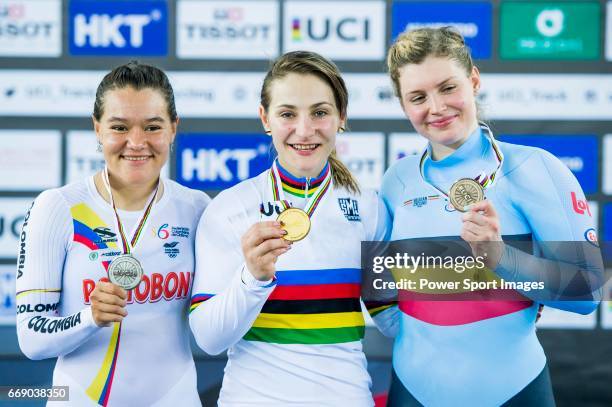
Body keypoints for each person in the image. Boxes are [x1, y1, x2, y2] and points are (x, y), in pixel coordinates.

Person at [380, 27, 602, 406]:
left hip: (513, 391)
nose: (436, 107)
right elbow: (379, 282)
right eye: (418, 97)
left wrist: (503, 259)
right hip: (412, 390)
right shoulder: (396, 181)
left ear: (474, 80)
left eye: (448, 87)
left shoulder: (535, 169)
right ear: (404, 106)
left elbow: (590, 292)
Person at [189, 50, 391, 406]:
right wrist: (253, 278)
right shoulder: (231, 209)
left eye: (320, 112)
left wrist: (478, 283)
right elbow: (209, 339)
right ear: (265, 118)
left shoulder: (368, 207)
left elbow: (393, 321)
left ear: (341, 117)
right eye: (287, 114)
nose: (304, 129)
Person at [16, 62, 209, 406]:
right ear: (97, 129)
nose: (136, 143)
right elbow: (31, 338)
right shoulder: (58, 207)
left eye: (152, 127)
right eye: (119, 127)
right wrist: (89, 317)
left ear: (173, 129)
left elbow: (216, 320)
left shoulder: (196, 208)